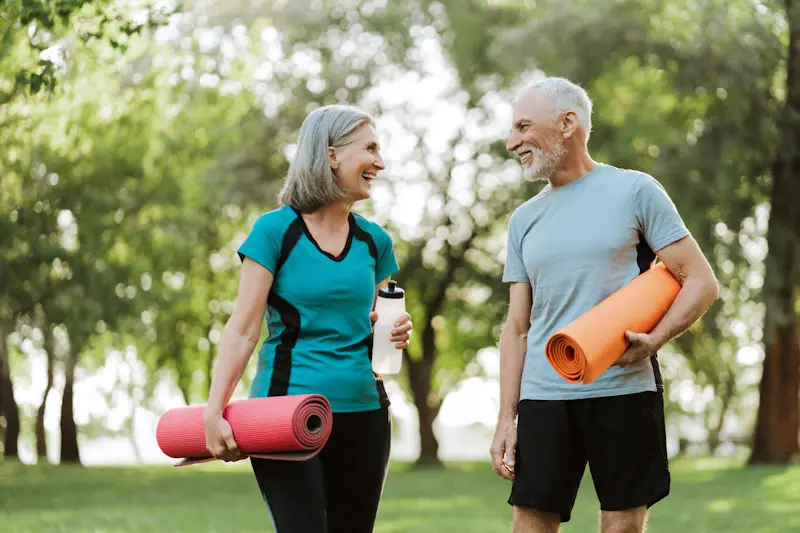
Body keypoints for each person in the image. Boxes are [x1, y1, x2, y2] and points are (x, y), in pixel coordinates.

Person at [490, 77, 720, 533]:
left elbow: (701, 281)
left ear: (568, 123)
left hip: (624, 391)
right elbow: (517, 327)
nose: (512, 141)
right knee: (529, 525)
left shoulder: (635, 191)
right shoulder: (524, 220)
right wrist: (505, 419)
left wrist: (655, 338)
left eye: (523, 126)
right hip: (544, 396)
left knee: (621, 526)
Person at [202, 104, 413, 533]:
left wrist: (390, 332)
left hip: (364, 413)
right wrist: (214, 410)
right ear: (331, 154)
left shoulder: (376, 241)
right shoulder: (274, 231)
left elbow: (377, 341)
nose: (380, 161)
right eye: (369, 148)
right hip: (284, 415)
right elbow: (243, 330)